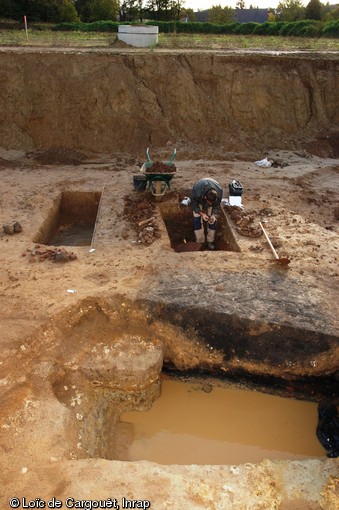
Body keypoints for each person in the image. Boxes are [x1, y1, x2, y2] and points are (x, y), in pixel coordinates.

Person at [190, 178, 223, 250]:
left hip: (209, 195)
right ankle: (200, 242)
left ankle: (210, 241)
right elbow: (193, 205)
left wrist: (214, 214)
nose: (210, 204)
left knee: (213, 221)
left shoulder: (219, 191)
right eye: (209, 203)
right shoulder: (196, 191)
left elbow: (216, 205)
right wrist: (202, 214)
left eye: (212, 203)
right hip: (198, 199)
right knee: (197, 219)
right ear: (205, 197)